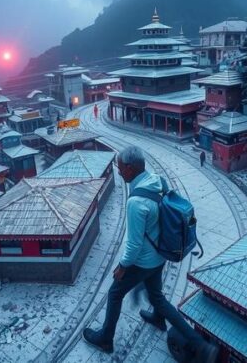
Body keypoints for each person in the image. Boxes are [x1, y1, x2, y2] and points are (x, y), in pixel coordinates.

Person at [83, 146, 218, 362]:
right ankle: (185, 334)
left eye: (120, 168)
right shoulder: (156, 180)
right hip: (160, 255)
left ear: (130, 168)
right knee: (156, 296)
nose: (118, 172)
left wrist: (123, 266)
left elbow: (134, 244)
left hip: (143, 262)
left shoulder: (135, 202)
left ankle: (106, 339)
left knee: (115, 293)